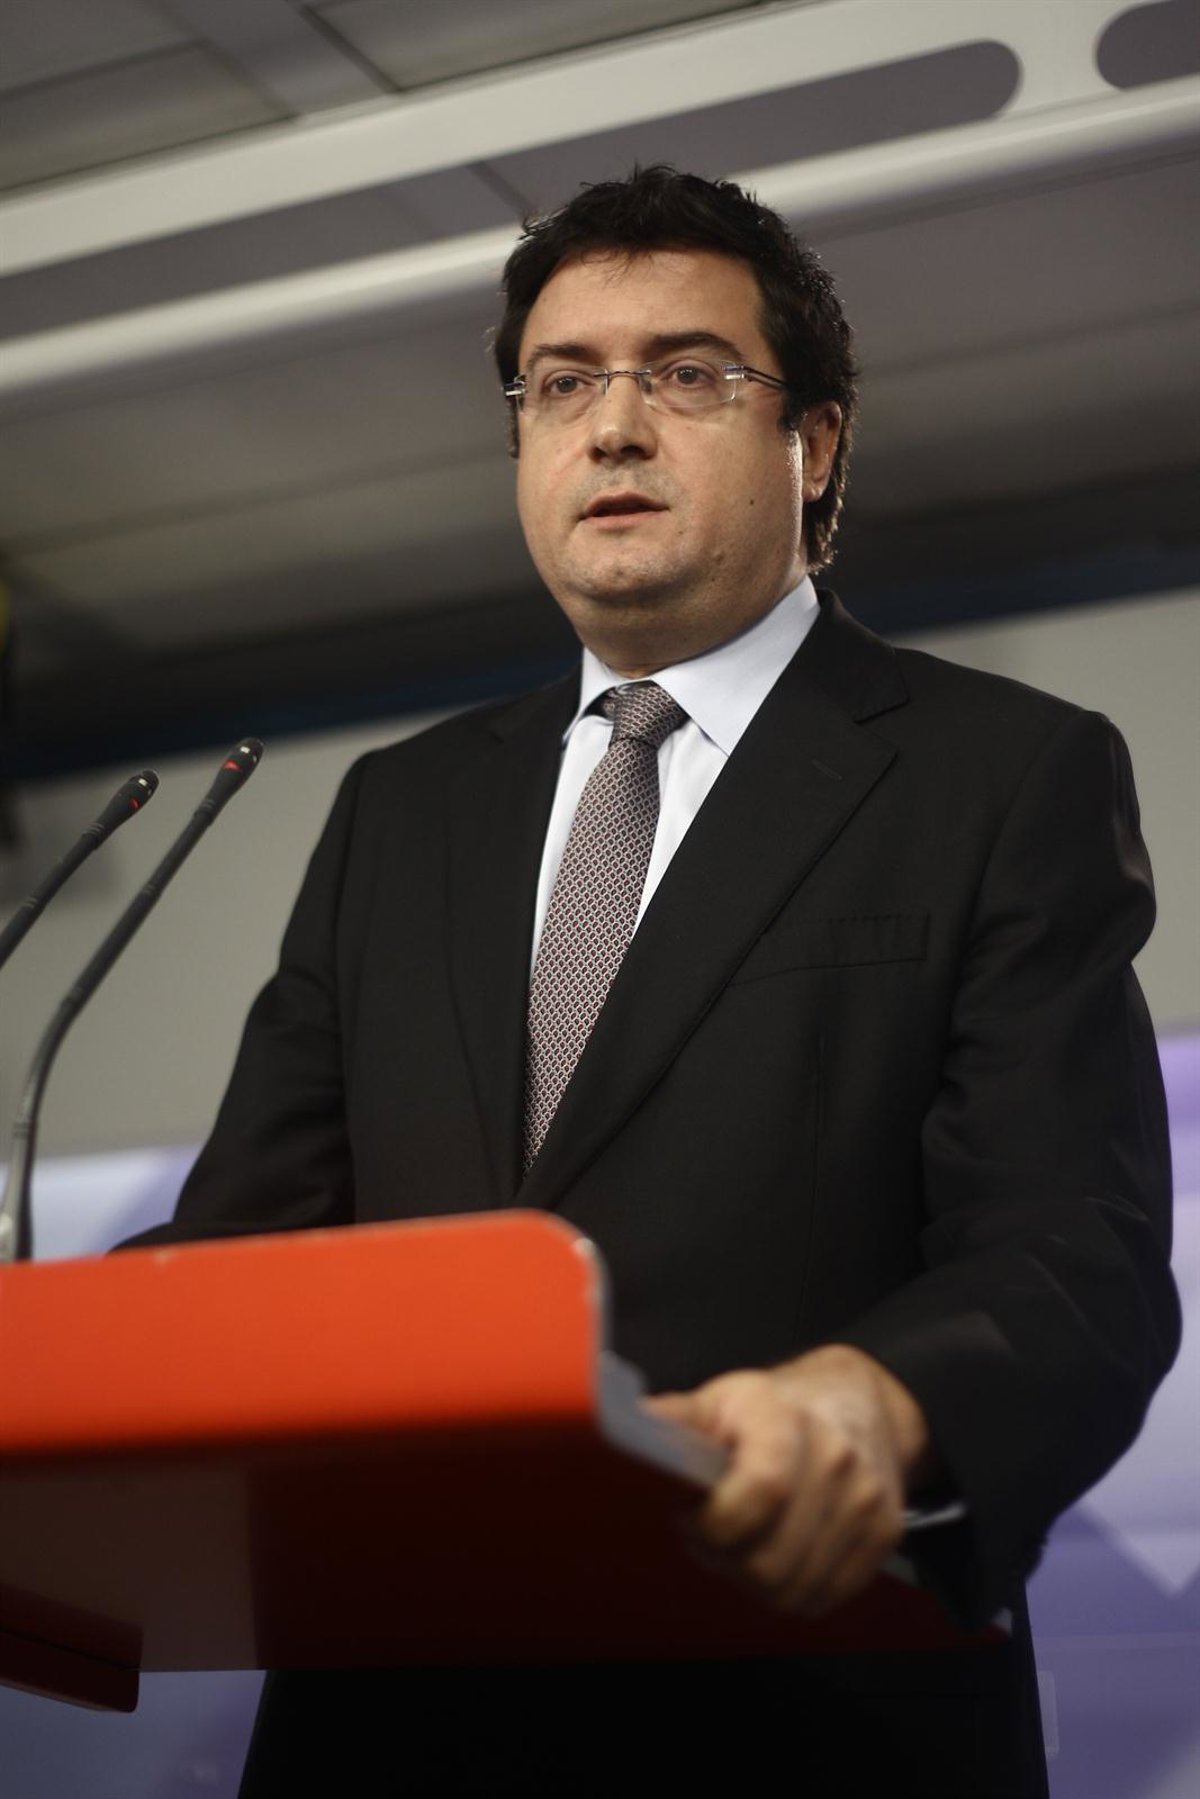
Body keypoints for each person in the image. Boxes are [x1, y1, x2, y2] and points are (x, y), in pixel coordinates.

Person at [128, 167, 1178, 1796]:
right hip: (394, 1713)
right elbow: (242, 1256)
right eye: (561, 385)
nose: (613, 427)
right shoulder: (404, 809)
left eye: (687, 374)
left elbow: (1072, 1253)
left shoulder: (999, 773)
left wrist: (879, 1399)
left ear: (813, 440)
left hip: (800, 1706)